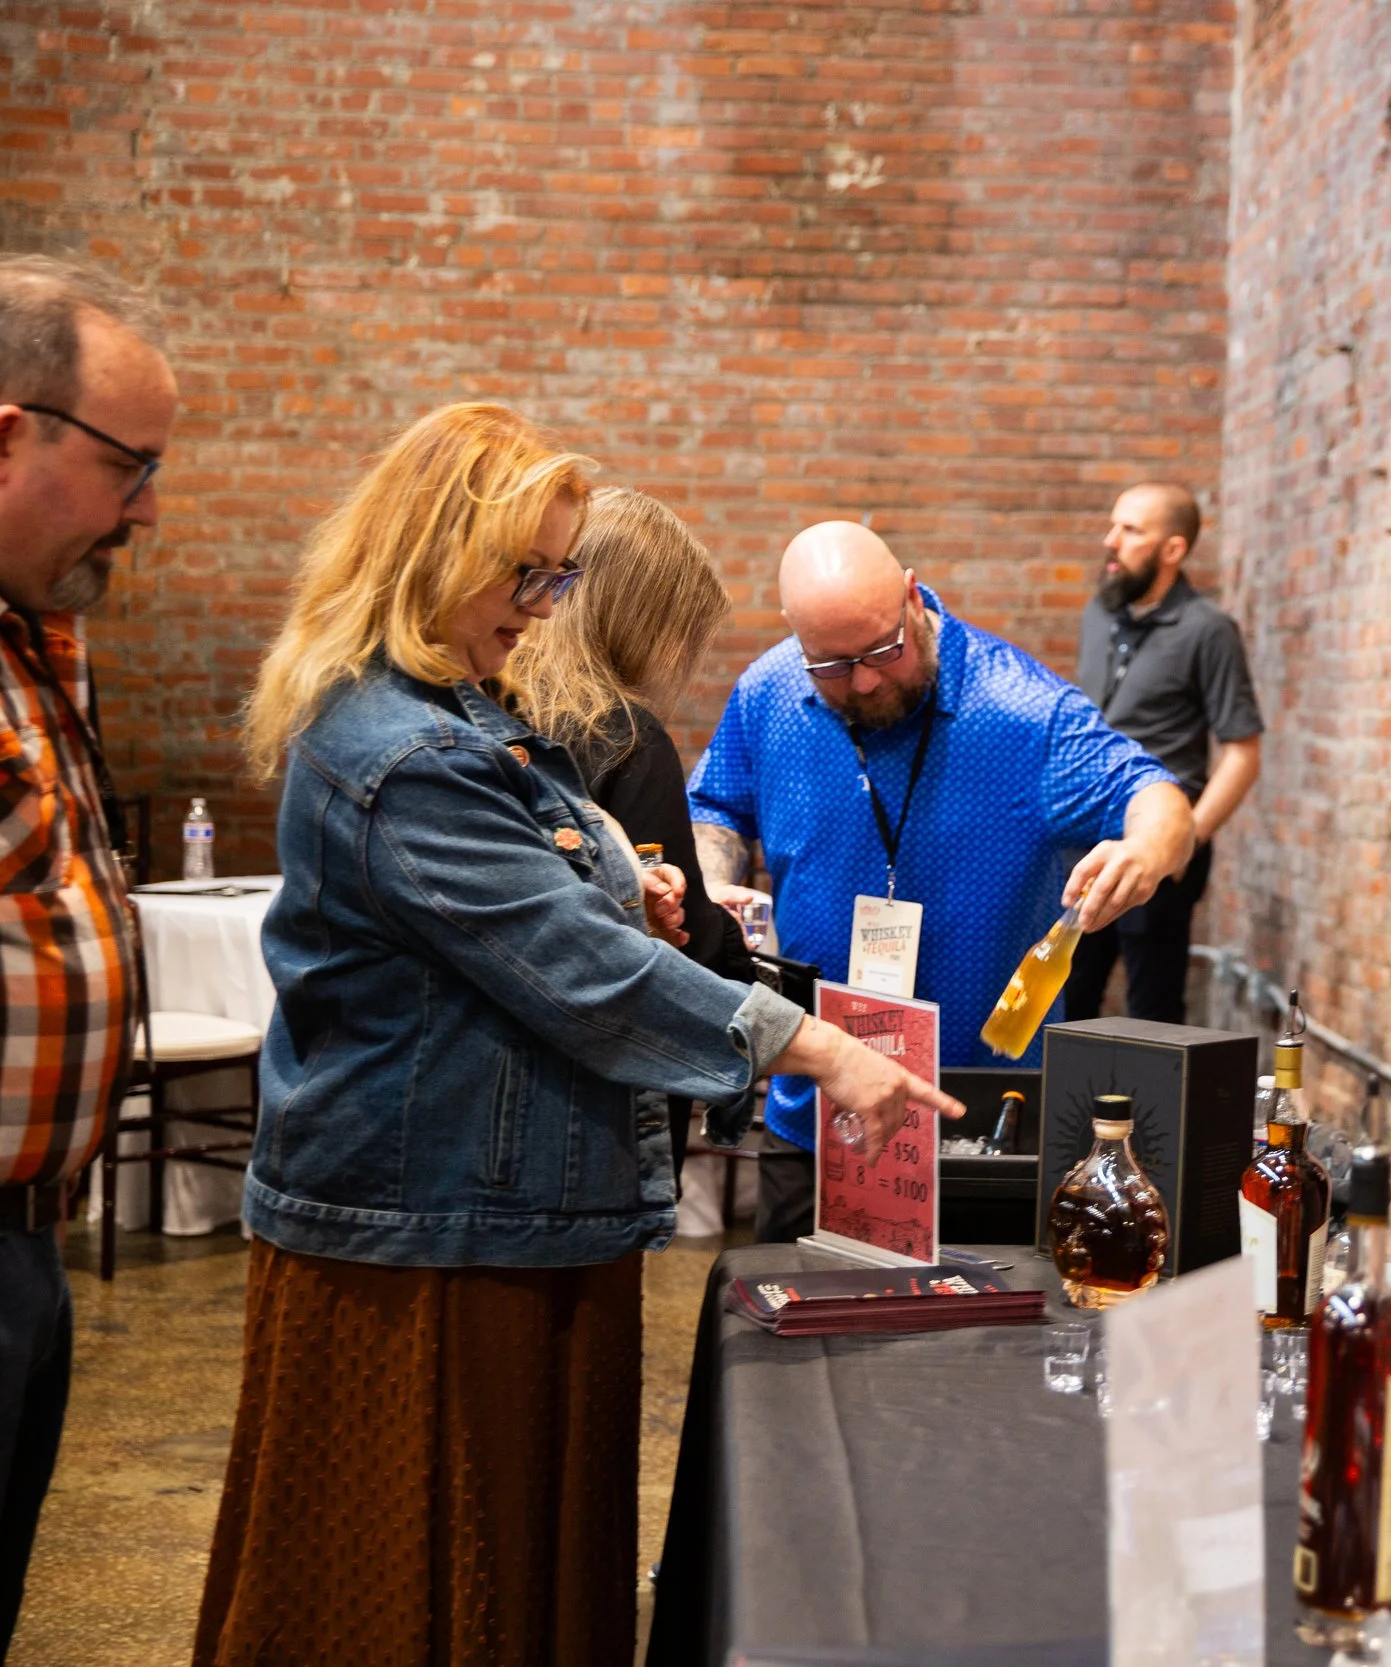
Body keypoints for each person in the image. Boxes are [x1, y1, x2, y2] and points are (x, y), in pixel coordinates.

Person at [196, 405, 958, 1666]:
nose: (545, 605)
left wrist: (620, 885)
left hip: (507, 1209)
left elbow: (539, 909)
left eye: (559, 575)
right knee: (416, 1589)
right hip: (435, 1229)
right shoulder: (402, 748)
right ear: (437, 552)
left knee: (517, 1572)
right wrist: (820, 1047)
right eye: (527, 573)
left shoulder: (465, 711)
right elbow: (577, 970)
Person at [691, 520, 1193, 1242]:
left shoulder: (1024, 710)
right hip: (817, 1112)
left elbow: (1158, 797)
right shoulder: (768, 691)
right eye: (832, 665)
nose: (864, 681)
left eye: (882, 651)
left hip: (982, 1124)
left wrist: (1145, 848)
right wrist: (712, 878)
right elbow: (716, 805)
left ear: (911, 594)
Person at [0, 253, 175, 1667]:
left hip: (21, 1235)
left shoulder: (31, 633)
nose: (147, 509)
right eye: (128, 466)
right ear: (1, 437)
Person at [511, 485, 752, 983]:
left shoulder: (495, 705)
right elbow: (685, 949)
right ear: (649, 629)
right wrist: (718, 927)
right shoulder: (627, 738)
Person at [1063, 482, 1263, 1023]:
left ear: (1173, 549)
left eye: (1131, 530)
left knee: (1151, 1014)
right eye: (1114, 525)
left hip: (1158, 849)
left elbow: (1243, 753)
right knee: (1067, 1002)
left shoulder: (1209, 630)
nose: (1111, 540)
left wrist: (1183, 843)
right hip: (1085, 843)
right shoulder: (1098, 614)